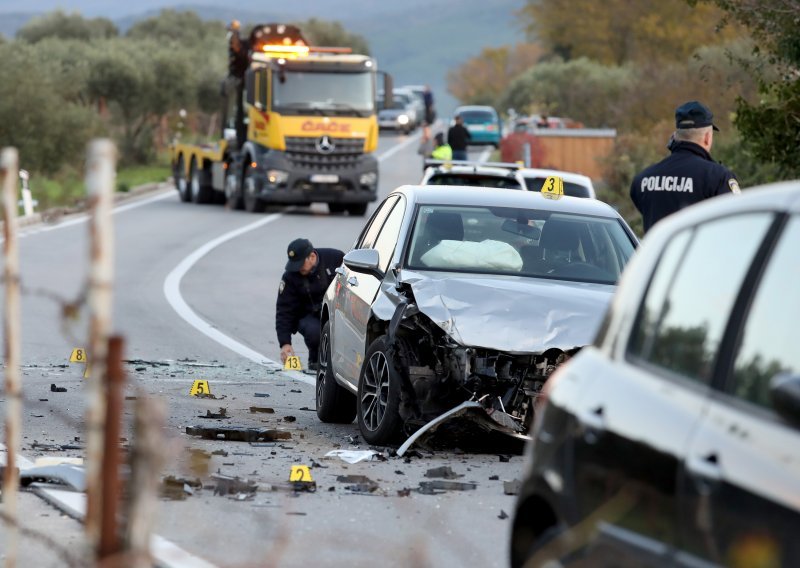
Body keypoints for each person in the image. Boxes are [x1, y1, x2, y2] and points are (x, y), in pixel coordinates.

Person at [630, 100, 740, 234]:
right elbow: (736, 223)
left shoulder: (643, 179)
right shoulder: (717, 177)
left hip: (657, 255)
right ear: (707, 137)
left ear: (675, 136)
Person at [276, 238, 344, 371]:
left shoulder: (336, 258)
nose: (298, 269)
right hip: (308, 315)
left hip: (336, 310)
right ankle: (315, 360)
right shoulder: (290, 277)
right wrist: (285, 343)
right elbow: (284, 310)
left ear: (312, 257)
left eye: (300, 264)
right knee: (314, 332)